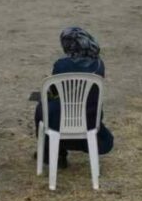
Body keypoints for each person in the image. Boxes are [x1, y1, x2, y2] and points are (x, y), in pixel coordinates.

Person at [34, 27, 114, 167]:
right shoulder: (99, 65)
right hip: (89, 118)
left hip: (61, 121)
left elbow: (53, 93)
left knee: (43, 108)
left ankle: (53, 154)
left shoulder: (61, 65)